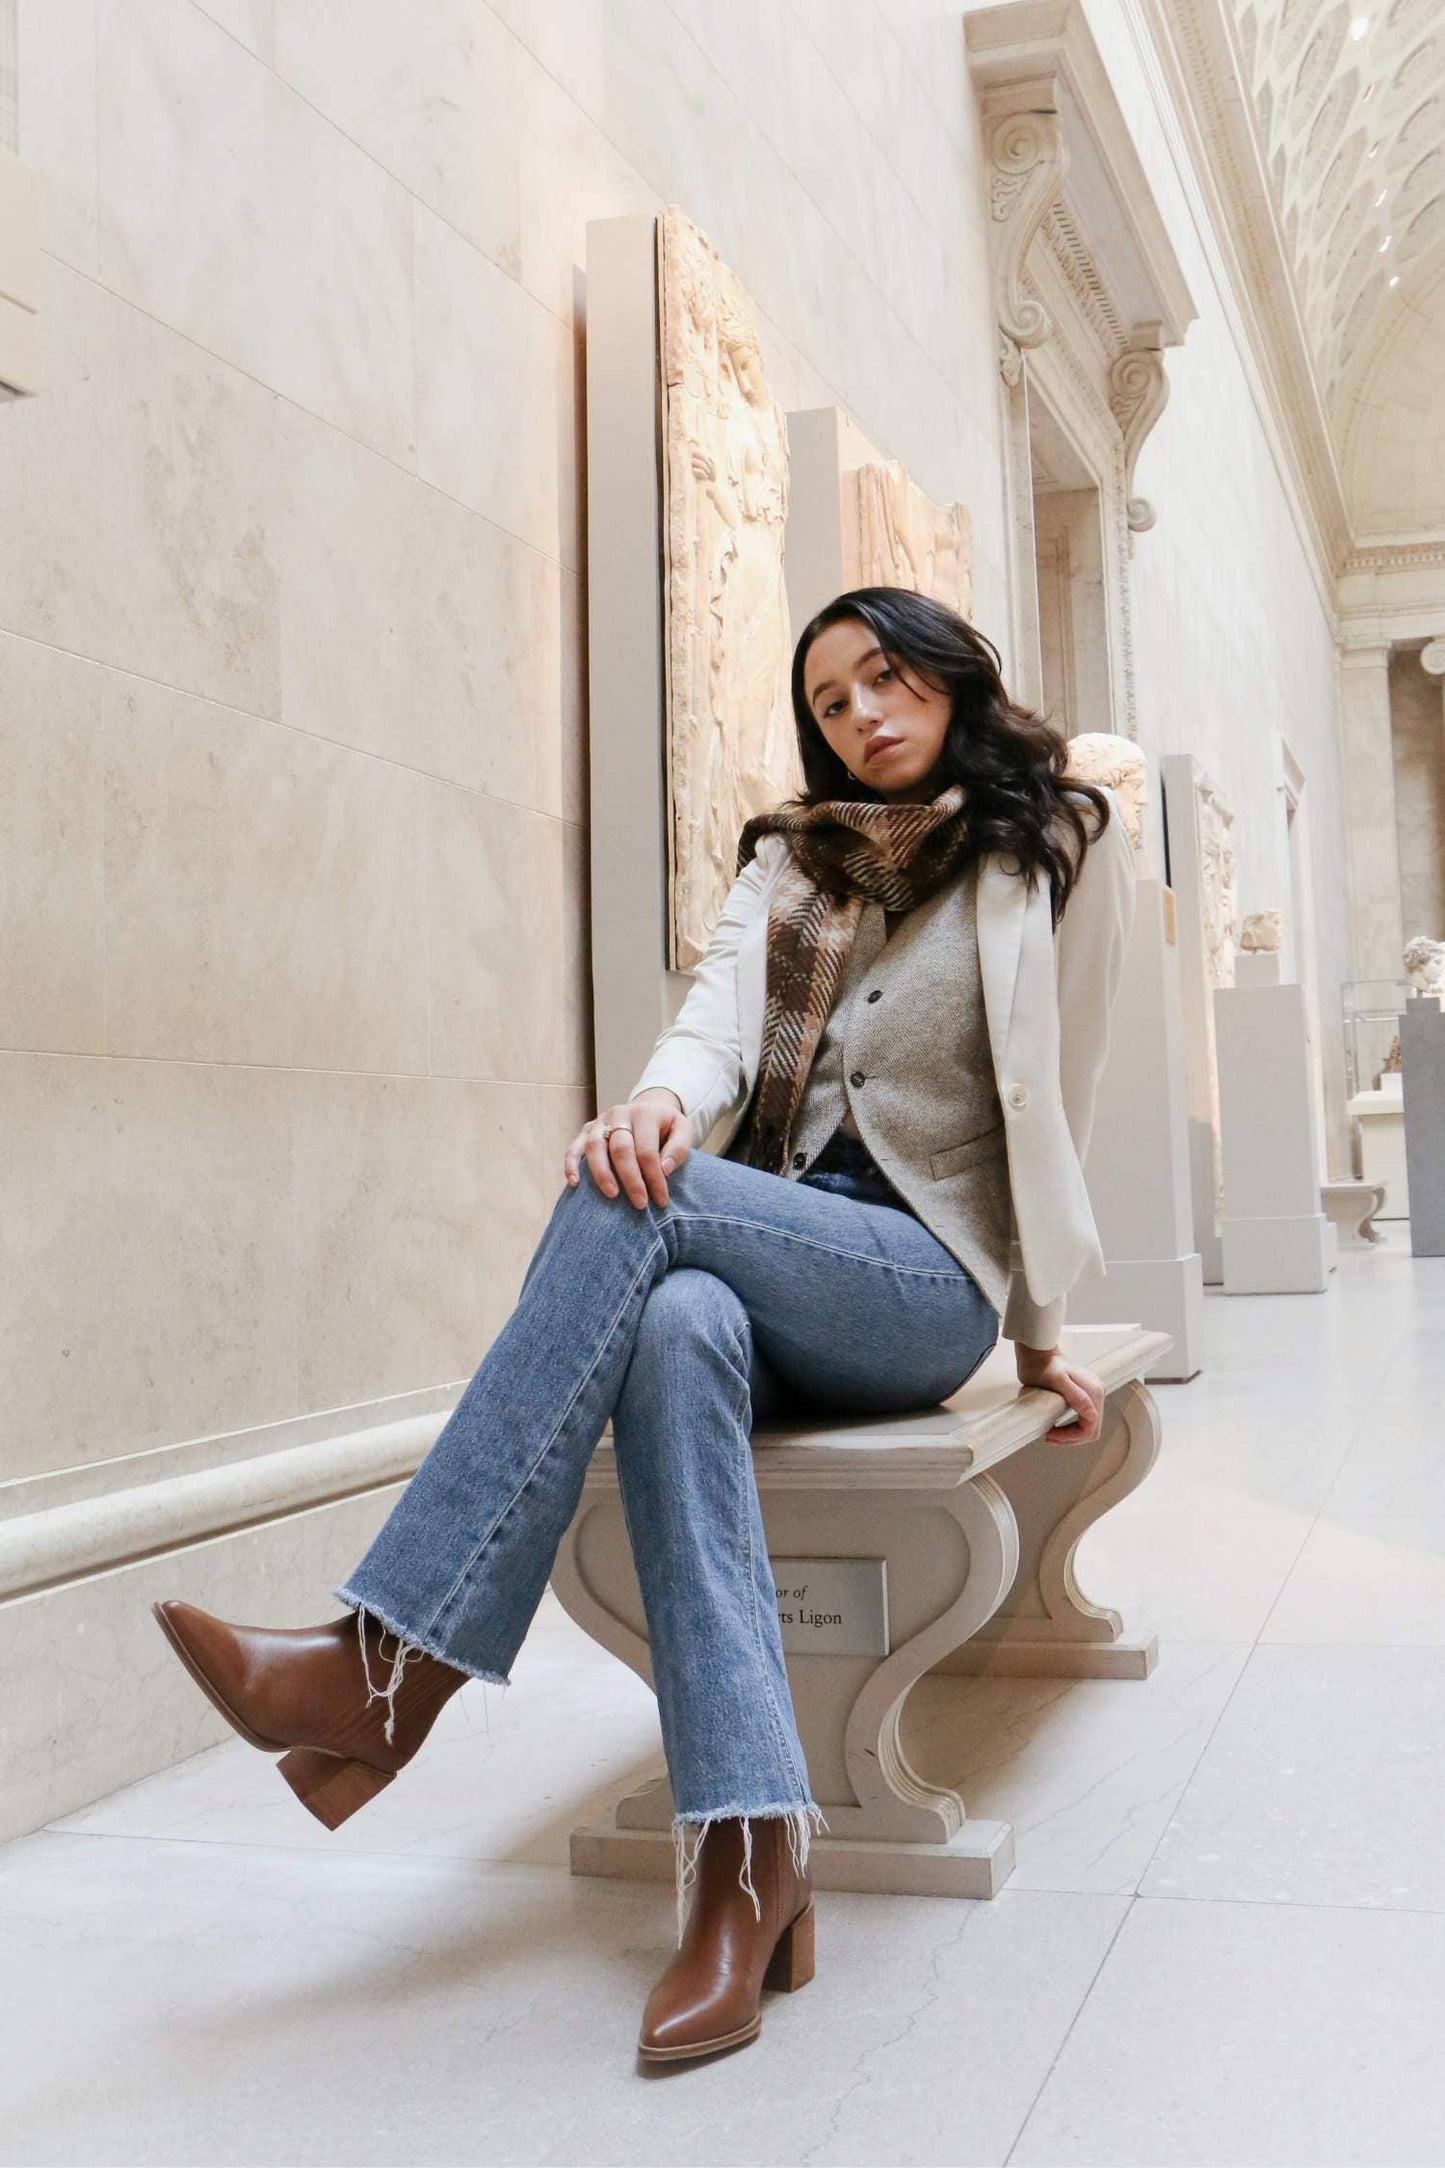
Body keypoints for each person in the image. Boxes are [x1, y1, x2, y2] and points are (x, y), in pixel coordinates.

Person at [151, 587, 1135, 2066]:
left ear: (948, 679)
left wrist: (1044, 1332)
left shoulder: (1049, 845)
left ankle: (383, 1669)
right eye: (828, 701)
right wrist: (662, 1102)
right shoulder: (788, 871)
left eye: (885, 679)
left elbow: (1061, 1091)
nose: (862, 714)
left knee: (642, 1206)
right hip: (769, 1248)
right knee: (670, 1308)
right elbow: (712, 1029)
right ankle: (747, 1871)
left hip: (923, 1276)